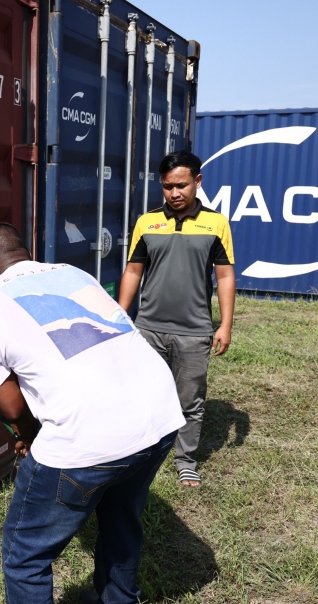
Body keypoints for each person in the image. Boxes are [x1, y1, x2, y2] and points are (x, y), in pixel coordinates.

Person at [0, 223, 185, 604]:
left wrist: (29, 437)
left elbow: (10, 405)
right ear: (26, 254)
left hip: (89, 433)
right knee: (121, 515)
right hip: (159, 414)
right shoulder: (71, 272)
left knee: (25, 554)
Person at [117, 150, 235, 488]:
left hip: (194, 330)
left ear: (197, 182)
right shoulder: (147, 222)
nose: (174, 193)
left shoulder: (216, 223)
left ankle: (185, 461)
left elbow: (225, 276)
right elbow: (133, 270)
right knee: (142, 395)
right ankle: (139, 454)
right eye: (167, 186)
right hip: (149, 329)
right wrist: (120, 314)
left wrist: (224, 325)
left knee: (189, 401)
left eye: (181, 185)